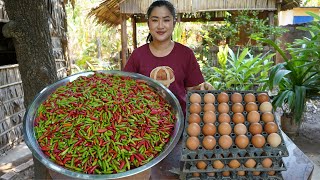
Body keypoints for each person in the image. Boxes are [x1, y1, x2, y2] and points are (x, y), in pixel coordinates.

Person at [124, 0, 213, 116]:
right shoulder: (138, 55)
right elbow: (124, 89)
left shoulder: (185, 54)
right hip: (145, 125)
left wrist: (203, 87)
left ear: (174, 23)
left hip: (180, 122)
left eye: (166, 20)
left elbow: (193, 90)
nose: (160, 26)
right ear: (148, 23)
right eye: (155, 20)